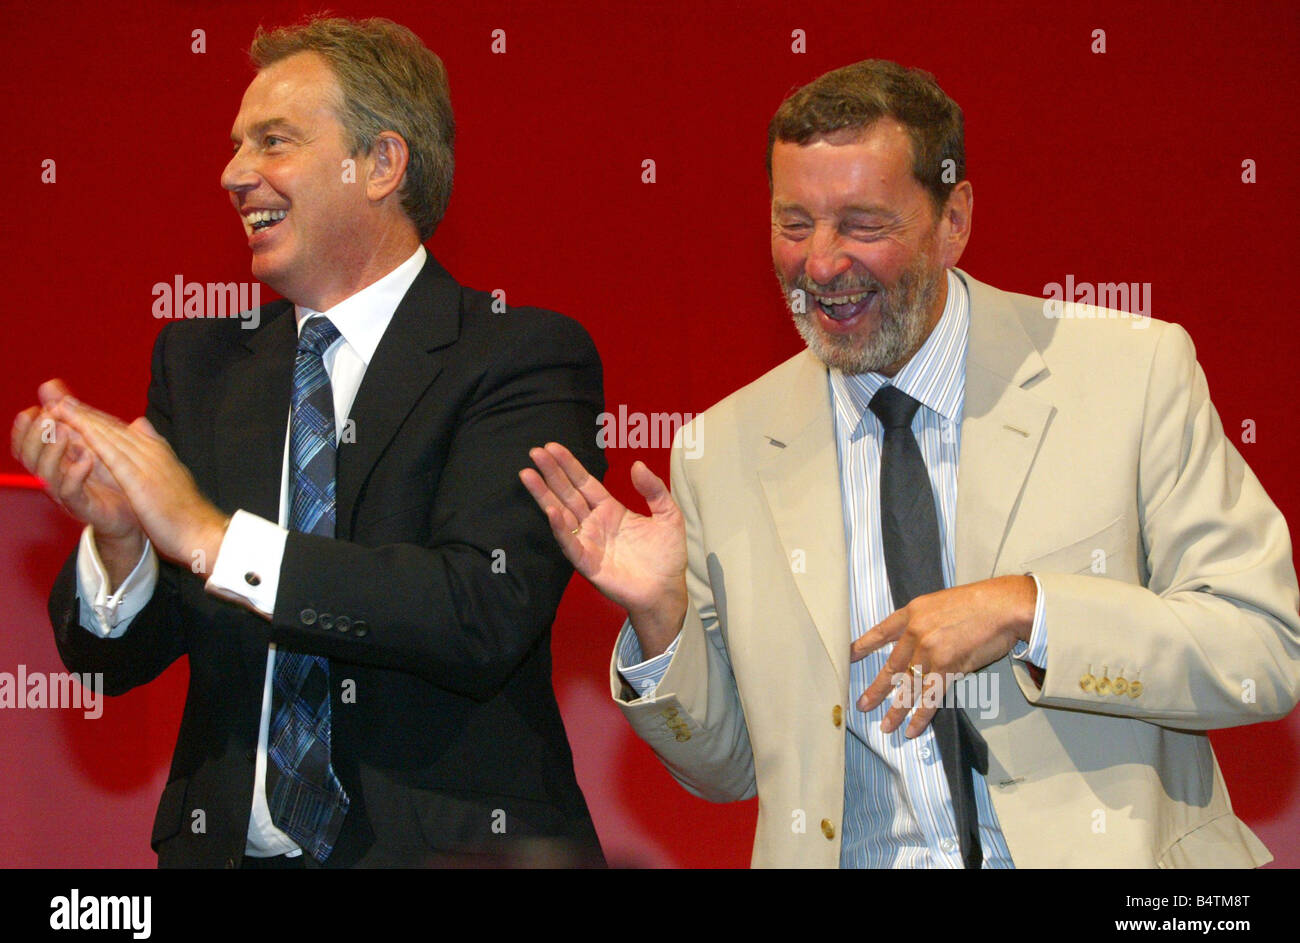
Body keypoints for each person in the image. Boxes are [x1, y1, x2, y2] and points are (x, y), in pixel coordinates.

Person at [520, 59, 1300, 867]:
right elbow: (729, 769)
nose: (820, 265)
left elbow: (1264, 647)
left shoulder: (1131, 374)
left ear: (953, 217)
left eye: (862, 224)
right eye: (795, 223)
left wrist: (1029, 611)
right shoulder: (723, 450)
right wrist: (662, 618)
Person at [12, 17, 606, 868]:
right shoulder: (201, 364)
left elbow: (478, 609)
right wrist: (122, 540)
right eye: (234, 145)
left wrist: (215, 539)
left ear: (381, 164)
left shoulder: (520, 355)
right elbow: (113, 666)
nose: (232, 173)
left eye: (273, 141)